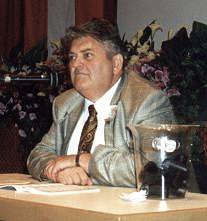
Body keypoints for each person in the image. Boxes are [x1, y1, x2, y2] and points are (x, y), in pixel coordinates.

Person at [27, 18, 175, 187]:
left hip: (126, 209)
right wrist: (58, 170)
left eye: (87, 55)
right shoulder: (66, 103)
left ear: (116, 64)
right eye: (72, 57)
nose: (76, 64)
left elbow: (154, 169)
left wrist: (84, 161)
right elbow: (38, 154)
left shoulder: (145, 101)